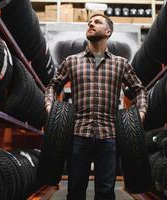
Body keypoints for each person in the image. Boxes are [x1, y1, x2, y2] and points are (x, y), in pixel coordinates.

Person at [44, 14, 147, 200]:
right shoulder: (71, 61)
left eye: (97, 22)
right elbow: (52, 86)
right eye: (89, 22)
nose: (91, 23)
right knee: (75, 189)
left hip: (109, 136)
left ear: (108, 32)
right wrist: (51, 107)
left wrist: (140, 112)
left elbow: (140, 90)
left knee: (105, 191)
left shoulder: (121, 63)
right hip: (78, 134)